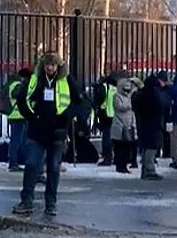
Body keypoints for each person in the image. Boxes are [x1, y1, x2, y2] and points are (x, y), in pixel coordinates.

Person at [12, 52, 83, 217]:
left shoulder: (66, 80)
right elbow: (22, 100)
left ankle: (51, 203)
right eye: (47, 65)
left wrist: (66, 117)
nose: (49, 68)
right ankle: (26, 200)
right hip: (37, 131)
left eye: (52, 65)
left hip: (57, 132)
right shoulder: (35, 80)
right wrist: (31, 117)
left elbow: (78, 102)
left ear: (58, 66)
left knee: (53, 168)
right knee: (31, 164)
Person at [133, 74, 171, 180]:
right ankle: (149, 170)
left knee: (146, 147)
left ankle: (145, 169)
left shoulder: (141, 93)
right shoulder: (154, 93)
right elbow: (162, 105)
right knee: (152, 146)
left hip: (144, 124)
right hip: (154, 123)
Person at [8, 68, 33, 172]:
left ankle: (15, 161)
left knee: (18, 140)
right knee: (16, 140)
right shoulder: (17, 84)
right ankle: (13, 162)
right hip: (17, 116)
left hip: (18, 116)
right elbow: (16, 94)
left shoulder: (15, 83)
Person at [111, 77, 138, 174]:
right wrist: (130, 106)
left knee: (127, 147)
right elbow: (119, 107)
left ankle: (125, 165)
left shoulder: (129, 96)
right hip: (120, 125)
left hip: (128, 125)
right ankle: (120, 166)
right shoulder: (117, 96)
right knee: (120, 147)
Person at [94, 75, 117, 166]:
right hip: (114, 115)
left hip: (106, 115)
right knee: (114, 138)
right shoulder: (115, 88)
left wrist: (97, 108)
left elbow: (98, 100)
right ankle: (114, 157)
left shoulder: (104, 87)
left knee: (106, 137)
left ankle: (107, 157)